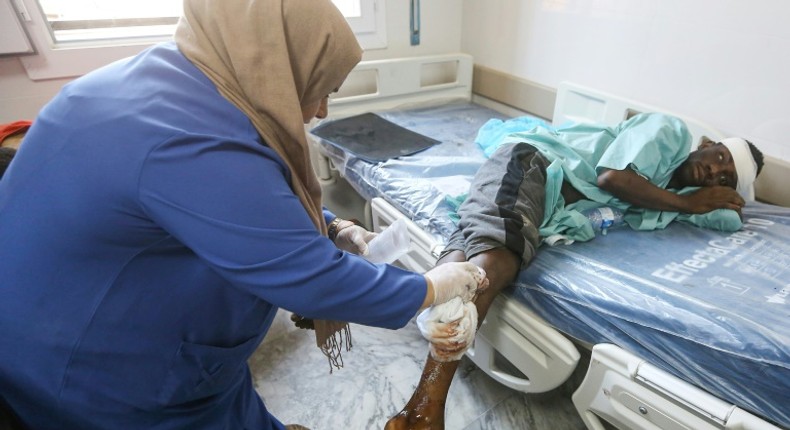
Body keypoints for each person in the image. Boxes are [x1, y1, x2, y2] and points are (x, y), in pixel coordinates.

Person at [0, 1, 487, 429]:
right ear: (278, 65)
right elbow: (311, 279)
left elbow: (246, 192)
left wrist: (335, 226)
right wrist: (432, 286)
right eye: (319, 88)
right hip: (98, 374)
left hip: (44, 314)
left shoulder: (172, 79)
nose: (319, 111)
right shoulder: (192, 143)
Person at [385, 112, 765, 429]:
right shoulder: (670, 132)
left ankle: (415, 408)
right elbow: (612, 178)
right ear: (705, 144)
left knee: (472, 250)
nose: (715, 172)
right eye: (720, 158)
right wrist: (691, 203)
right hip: (530, 163)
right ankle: (427, 406)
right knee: (496, 262)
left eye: (725, 179)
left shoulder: (673, 191)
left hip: (538, 202)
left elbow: (726, 217)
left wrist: (715, 201)